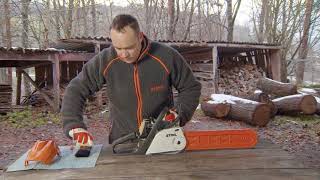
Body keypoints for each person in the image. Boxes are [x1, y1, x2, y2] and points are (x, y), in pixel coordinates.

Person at [61, 14, 201, 148]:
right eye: (118, 48)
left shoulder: (166, 56)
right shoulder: (105, 60)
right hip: (122, 142)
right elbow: (76, 89)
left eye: (129, 47)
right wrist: (74, 125)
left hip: (163, 139)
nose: (123, 54)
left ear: (140, 37)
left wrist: (179, 115)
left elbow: (190, 87)